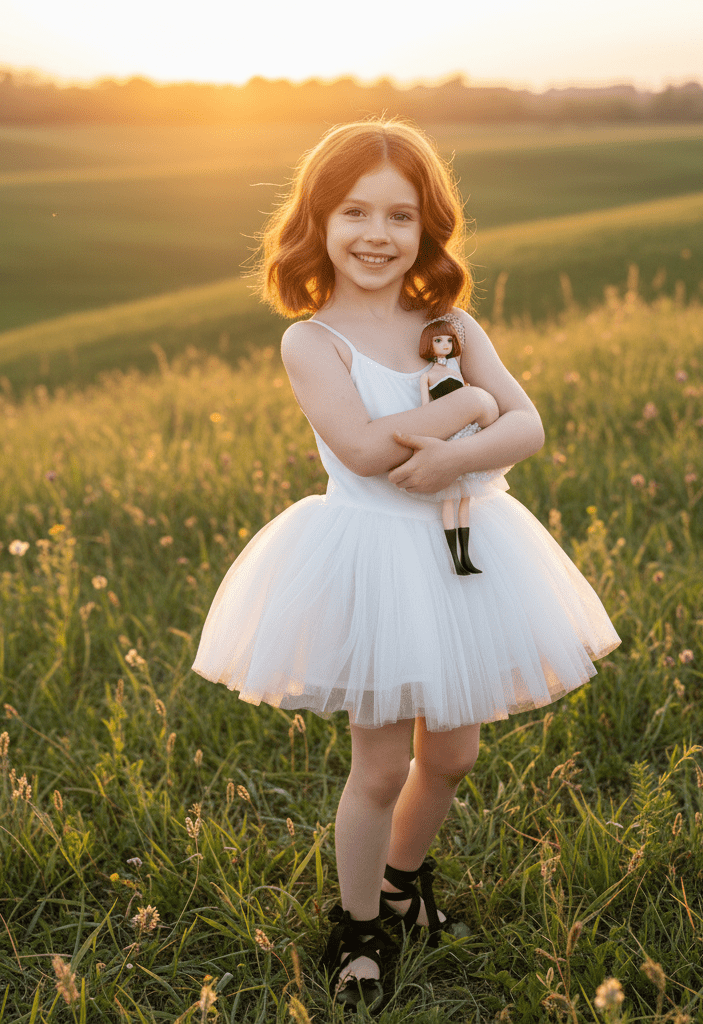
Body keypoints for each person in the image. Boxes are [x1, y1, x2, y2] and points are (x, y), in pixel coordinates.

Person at [192, 118, 620, 1012]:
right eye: (354, 212)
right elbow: (358, 448)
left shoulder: (450, 324)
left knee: (454, 754)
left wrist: (459, 451)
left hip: (465, 552)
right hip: (375, 563)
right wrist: (462, 412)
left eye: (399, 215)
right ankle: (356, 930)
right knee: (381, 767)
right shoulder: (314, 341)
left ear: (429, 228)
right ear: (318, 221)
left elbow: (526, 424)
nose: (376, 235)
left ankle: (403, 882)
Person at [416, 315, 511, 576]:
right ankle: (454, 558)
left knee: (465, 498)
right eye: (438, 340)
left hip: (468, 433)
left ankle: (466, 555)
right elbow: (425, 410)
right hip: (448, 434)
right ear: (429, 344)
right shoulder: (427, 377)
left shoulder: (456, 370)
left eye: (449, 340)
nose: (445, 345)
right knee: (449, 498)